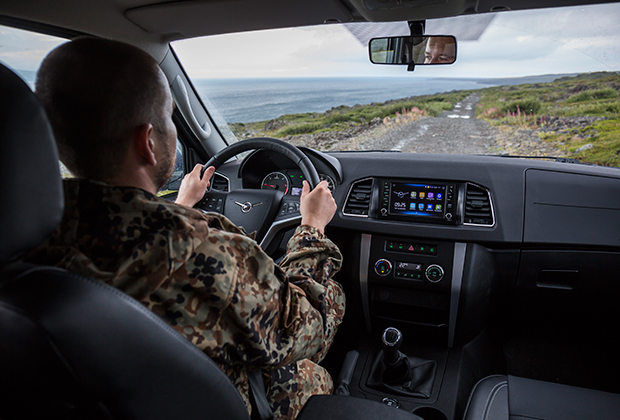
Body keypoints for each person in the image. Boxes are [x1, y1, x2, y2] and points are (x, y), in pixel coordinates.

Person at [26, 37, 345, 420]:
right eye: (169, 118)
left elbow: (129, 246)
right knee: (312, 373)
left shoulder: (28, 235)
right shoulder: (201, 252)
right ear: (148, 142)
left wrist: (180, 206)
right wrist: (312, 227)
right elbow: (312, 332)